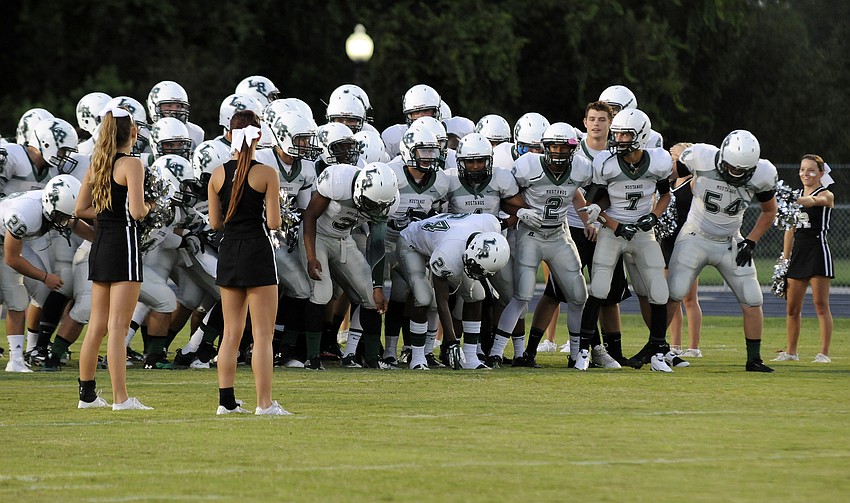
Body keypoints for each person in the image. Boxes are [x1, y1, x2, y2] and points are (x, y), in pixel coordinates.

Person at [669, 130, 777, 372]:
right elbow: (668, 175)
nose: (735, 174)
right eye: (732, 167)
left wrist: (751, 241)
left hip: (730, 240)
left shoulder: (763, 173)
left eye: (742, 170)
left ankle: (754, 358)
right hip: (695, 235)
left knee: (752, 297)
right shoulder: (703, 156)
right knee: (674, 292)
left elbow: (769, 211)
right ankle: (656, 348)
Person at [579, 109, 674, 372]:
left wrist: (653, 217)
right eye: (617, 132)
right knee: (598, 287)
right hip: (613, 231)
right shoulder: (605, 162)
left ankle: (657, 351)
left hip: (643, 232)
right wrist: (610, 222)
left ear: (641, 135)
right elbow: (593, 202)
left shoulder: (658, 161)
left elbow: (664, 196)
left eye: (625, 134)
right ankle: (584, 352)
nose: (619, 138)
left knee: (658, 288)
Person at [207, 110, 288, 415]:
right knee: (263, 335)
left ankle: (226, 403)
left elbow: (215, 223)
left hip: (229, 253)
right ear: (258, 136)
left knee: (231, 333)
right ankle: (264, 404)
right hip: (257, 252)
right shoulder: (267, 173)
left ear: (230, 134)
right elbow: (274, 222)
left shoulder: (216, 174)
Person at [75, 107, 154, 410]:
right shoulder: (132, 164)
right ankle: (121, 398)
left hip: (102, 244)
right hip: (125, 244)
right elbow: (136, 212)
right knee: (119, 327)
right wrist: (150, 204)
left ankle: (87, 395)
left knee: (97, 324)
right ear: (133, 133)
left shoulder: (96, 163)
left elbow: (80, 210)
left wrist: (108, 212)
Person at [774, 154, 834, 363]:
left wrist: (792, 199)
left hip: (818, 251)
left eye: (810, 170)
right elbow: (790, 229)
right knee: (792, 308)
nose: (805, 174)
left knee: (820, 305)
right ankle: (791, 353)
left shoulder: (826, 194)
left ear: (821, 173)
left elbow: (814, 201)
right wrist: (785, 257)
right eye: (802, 169)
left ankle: (823, 353)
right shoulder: (797, 194)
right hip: (798, 253)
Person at [661, 142, 703, 358]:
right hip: (666, 242)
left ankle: (694, 347)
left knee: (689, 298)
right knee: (670, 296)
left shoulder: (695, 183)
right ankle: (674, 345)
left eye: (675, 156)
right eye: (670, 155)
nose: (671, 159)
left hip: (686, 242)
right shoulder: (667, 182)